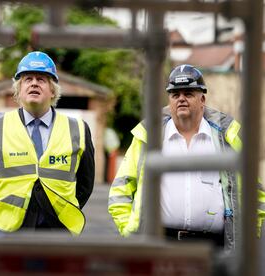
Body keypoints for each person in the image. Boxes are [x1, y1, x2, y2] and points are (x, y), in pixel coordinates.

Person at [108, 64, 265, 250]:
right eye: (175, 94)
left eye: (189, 93)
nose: (181, 98)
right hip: (160, 243)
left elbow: (255, 192)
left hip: (214, 247)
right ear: (169, 100)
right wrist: (130, 232)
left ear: (202, 99)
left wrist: (248, 237)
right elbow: (120, 190)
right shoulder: (148, 138)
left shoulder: (226, 138)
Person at [0, 51, 95, 235]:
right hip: (4, 232)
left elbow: (86, 183)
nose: (34, 83)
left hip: (58, 230)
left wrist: (61, 211)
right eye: (27, 79)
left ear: (53, 91)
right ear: (18, 90)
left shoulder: (78, 129)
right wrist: (0, 211)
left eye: (41, 79)